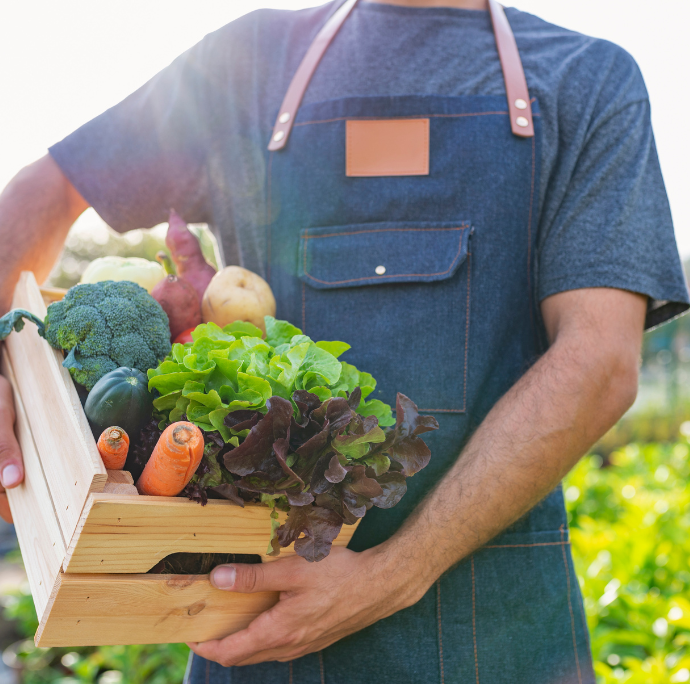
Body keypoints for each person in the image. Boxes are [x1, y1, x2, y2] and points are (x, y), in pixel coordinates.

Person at [0, 0, 687, 680]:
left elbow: (599, 360)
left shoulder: (586, 79)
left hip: (501, 630)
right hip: (257, 625)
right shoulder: (245, 63)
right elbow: (49, 186)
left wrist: (394, 574)